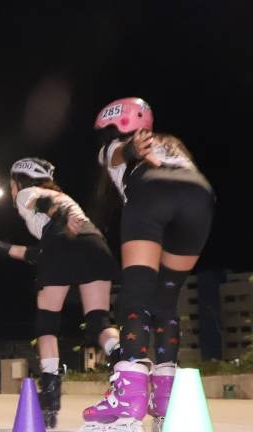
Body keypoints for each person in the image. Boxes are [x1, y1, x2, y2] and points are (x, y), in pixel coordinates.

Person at [80, 98, 214, 432]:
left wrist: (128, 152)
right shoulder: (172, 143)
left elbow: (115, 155)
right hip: (199, 197)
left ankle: (129, 399)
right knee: (166, 299)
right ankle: (165, 401)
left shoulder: (114, 147)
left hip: (152, 193)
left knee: (137, 294)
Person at [0, 157, 120, 429]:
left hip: (63, 239)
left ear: (19, 181)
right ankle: (125, 364)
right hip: (94, 242)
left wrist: (60, 216)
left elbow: (44, 207)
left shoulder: (29, 194)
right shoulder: (65, 198)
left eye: (10, 185)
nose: (11, 191)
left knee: (46, 325)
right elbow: (36, 254)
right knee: (99, 320)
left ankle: (51, 394)